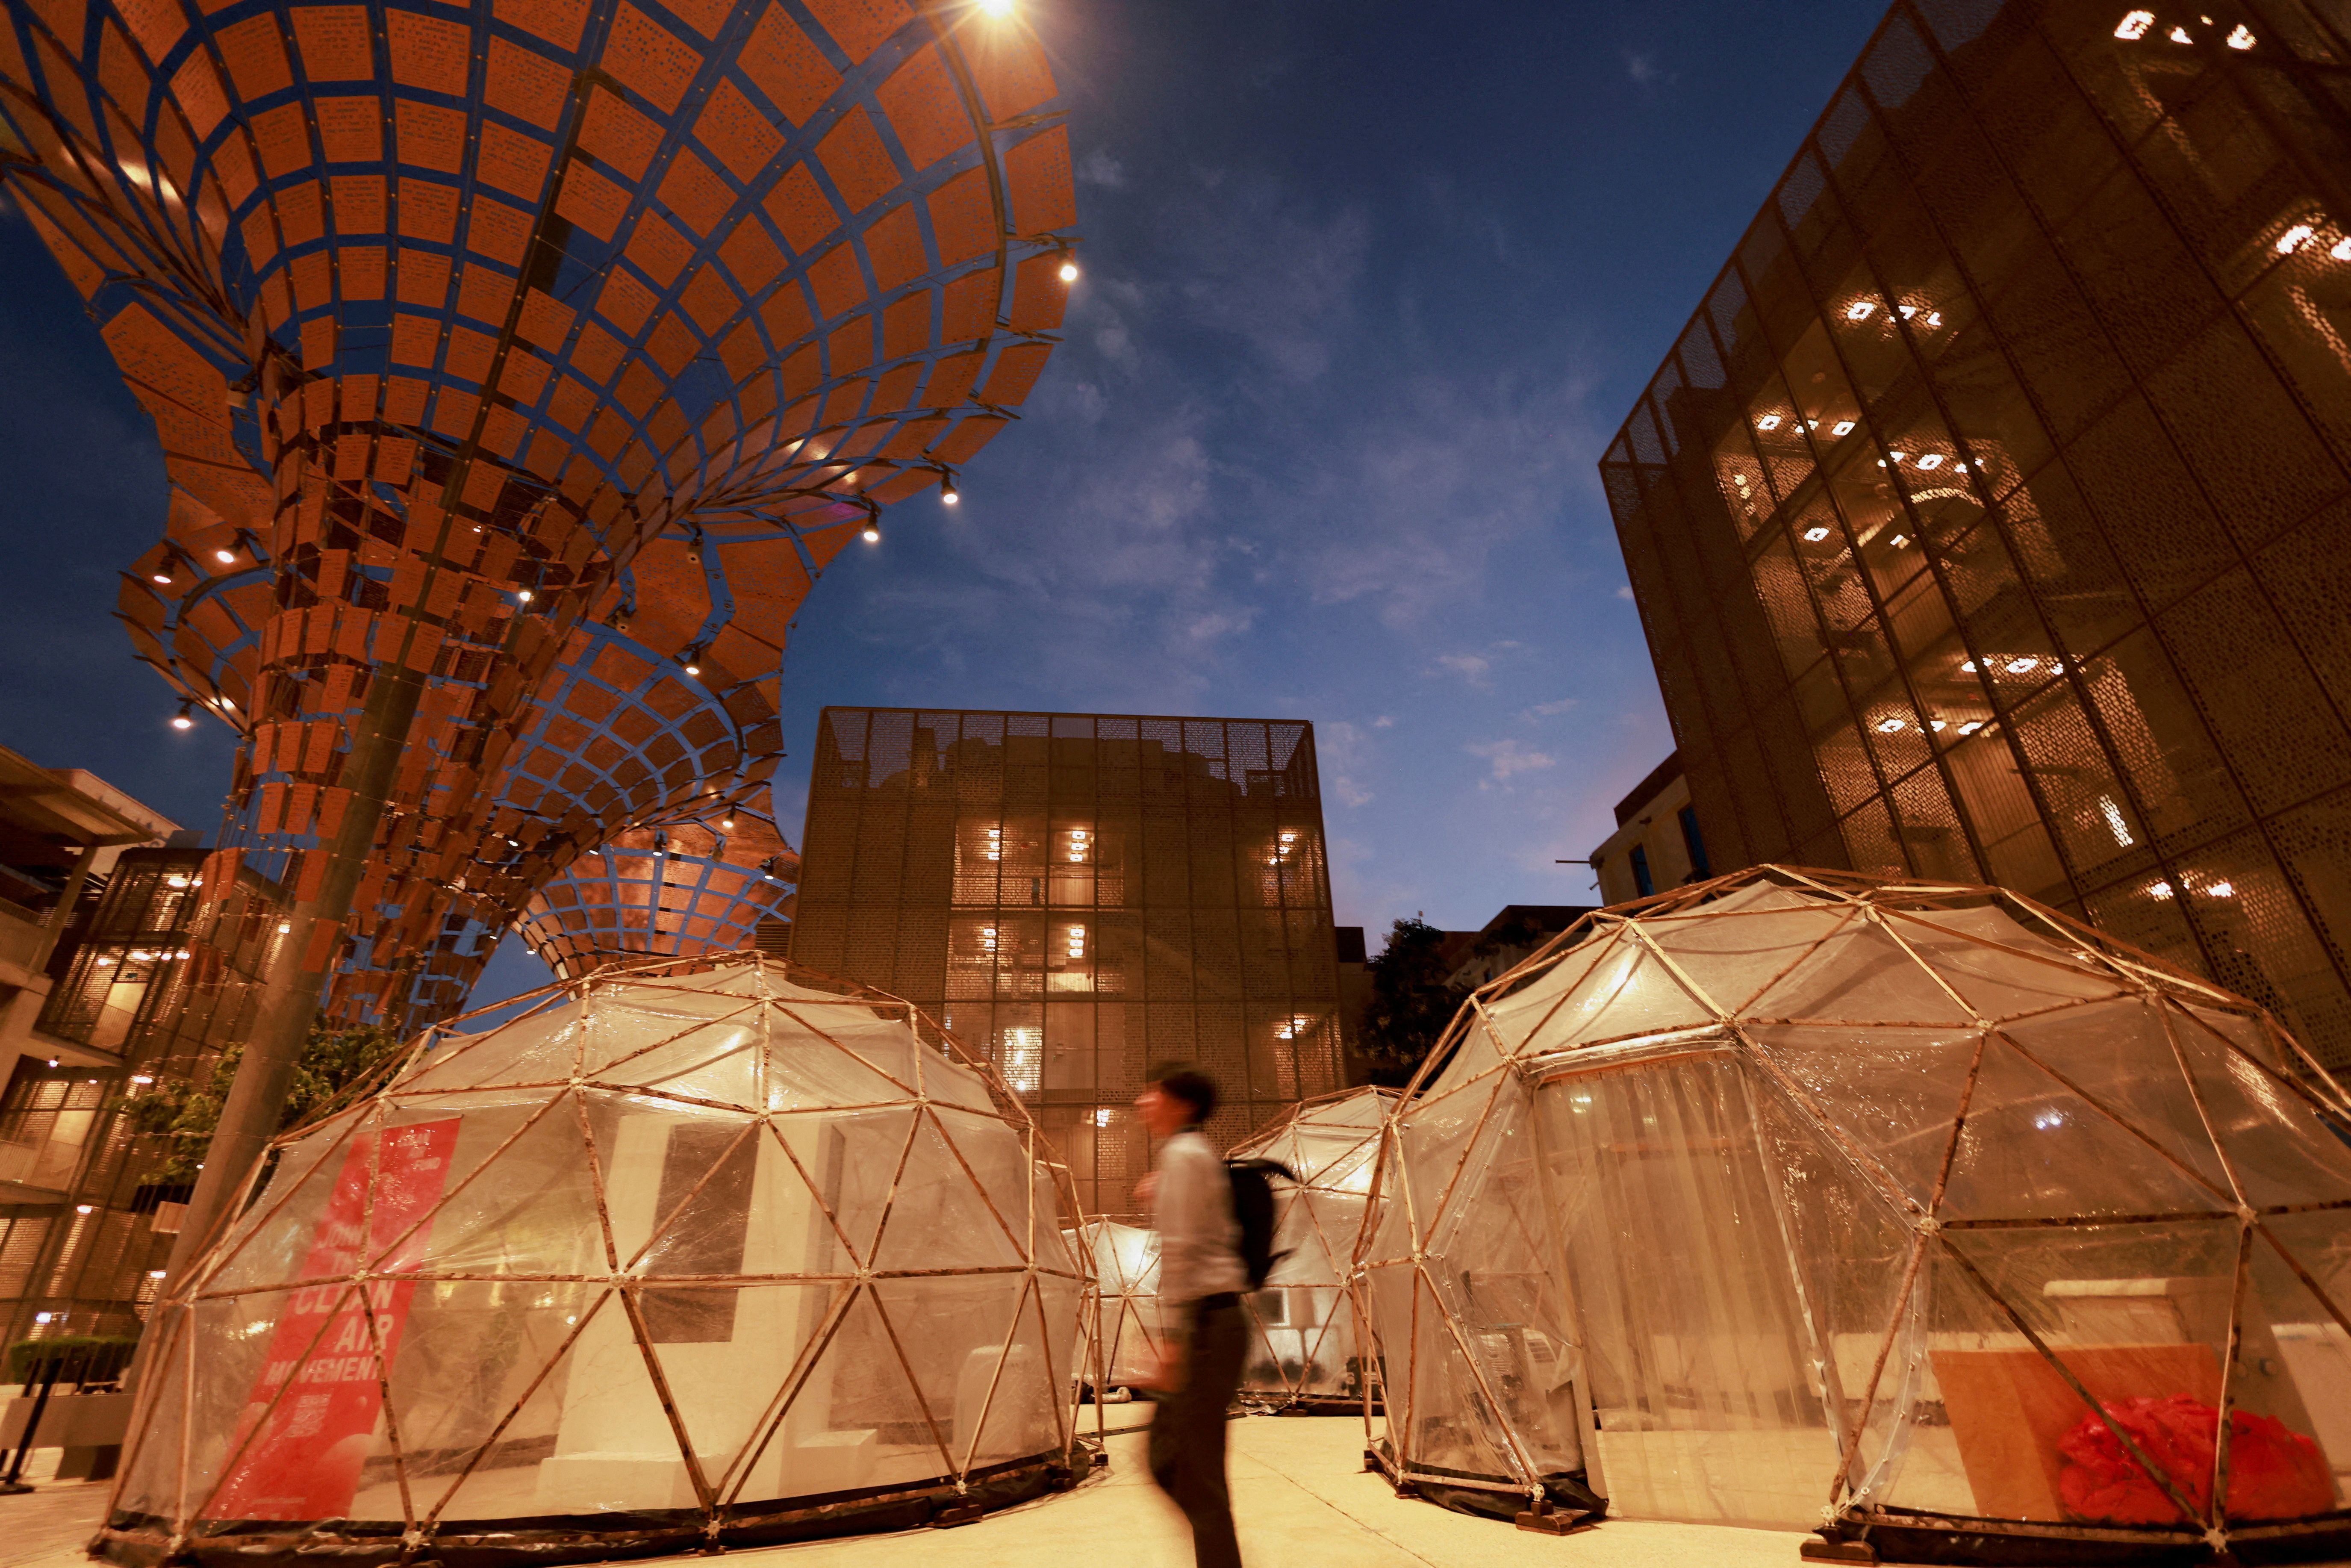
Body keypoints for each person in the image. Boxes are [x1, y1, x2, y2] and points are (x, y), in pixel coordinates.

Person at [1134, 1063, 1246, 1568]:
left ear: (1181, 1104)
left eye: (1152, 1093)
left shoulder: (1183, 1154)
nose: (1142, 1101)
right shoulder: (1191, 1154)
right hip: (1214, 1321)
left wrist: (1174, 1342)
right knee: (1179, 1462)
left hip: (1206, 1324)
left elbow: (1180, 1251)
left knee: (1185, 1466)